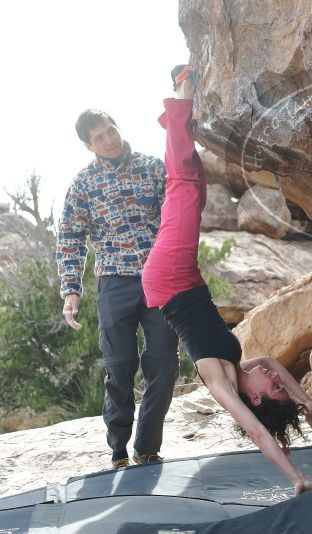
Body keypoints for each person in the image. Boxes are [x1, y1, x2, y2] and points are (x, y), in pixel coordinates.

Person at [142, 66, 312, 495]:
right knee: (194, 187)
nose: (276, 379)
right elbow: (276, 366)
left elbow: (260, 435)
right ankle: (174, 119)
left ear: (255, 400)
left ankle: (180, 92)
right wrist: (303, 400)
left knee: (184, 184)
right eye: (279, 386)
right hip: (182, 278)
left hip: (168, 279)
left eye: (274, 390)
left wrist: (297, 478)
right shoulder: (243, 366)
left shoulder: (221, 382)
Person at [57, 109, 179, 469]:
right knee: (120, 368)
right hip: (114, 283)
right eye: (99, 137)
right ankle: (118, 451)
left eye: (111, 130)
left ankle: (147, 446)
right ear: (87, 145)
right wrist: (71, 290)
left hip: (158, 278)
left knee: (164, 365)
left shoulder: (153, 167)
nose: (109, 139)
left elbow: (177, 217)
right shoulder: (83, 185)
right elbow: (70, 238)